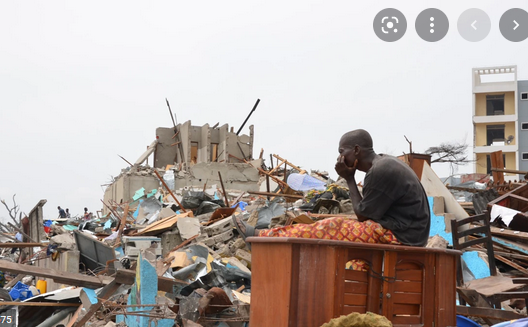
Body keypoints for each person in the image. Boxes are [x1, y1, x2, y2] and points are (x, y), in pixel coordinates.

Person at [233, 129, 430, 247]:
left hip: (401, 237)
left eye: (341, 151)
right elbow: (368, 213)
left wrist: (349, 178)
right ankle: (268, 238)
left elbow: (363, 215)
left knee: (331, 226)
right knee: (336, 231)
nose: (339, 157)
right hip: (406, 232)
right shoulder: (384, 164)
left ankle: (262, 238)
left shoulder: (382, 170)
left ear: (356, 150)